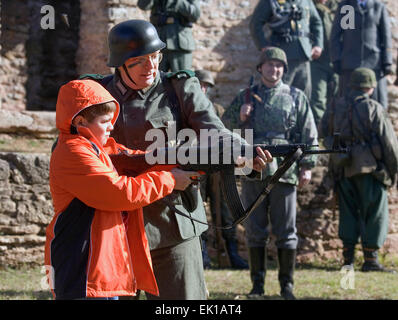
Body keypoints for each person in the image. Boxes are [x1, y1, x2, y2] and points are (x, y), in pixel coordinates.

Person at [81, 20, 272, 300]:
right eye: (139, 61)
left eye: (155, 57)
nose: (151, 66)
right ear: (120, 63)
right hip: (114, 226)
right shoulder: (95, 94)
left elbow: (214, 132)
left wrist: (244, 153)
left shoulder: (178, 88)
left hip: (173, 223)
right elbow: (73, 149)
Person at [44, 79, 196, 299]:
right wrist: (170, 180)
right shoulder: (73, 152)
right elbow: (120, 193)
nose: (111, 126)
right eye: (105, 121)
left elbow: (144, 161)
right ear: (80, 122)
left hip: (98, 264)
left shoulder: (98, 149)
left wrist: (198, 159)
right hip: (81, 263)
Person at [222, 47, 318, 300]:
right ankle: (257, 286)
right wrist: (239, 118)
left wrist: (307, 166)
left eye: (278, 65)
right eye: (269, 65)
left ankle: (287, 286)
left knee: (286, 230)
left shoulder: (296, 97)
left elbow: (309, 134)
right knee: (255, 229)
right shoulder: (245, 97)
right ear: (260, 68)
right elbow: (222, 129)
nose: (273, 69)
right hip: (252, 168)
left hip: (285, 171)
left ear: (284, 70)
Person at [320, 68, 398, 272]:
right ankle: (371, 260)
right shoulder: (374, 107)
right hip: (369, 169)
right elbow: (389, 144)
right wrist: (392, 171)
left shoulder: (335, 106)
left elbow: (323, 133)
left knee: (348, 212)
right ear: (371, 87)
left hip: (342, 168)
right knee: (374, 213)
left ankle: (348, 259)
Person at [195, 69, 249, 270]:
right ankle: (201, 255)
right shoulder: (184, 108)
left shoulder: (216, 109)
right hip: (196, 167)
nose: (202, 89)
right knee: (196, 210)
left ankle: (231, 252)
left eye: (205, 86)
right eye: (199, 84)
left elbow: (226, 135)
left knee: (226, 210)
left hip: (217, 169)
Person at [249, 0, 324, 99]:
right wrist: (263, 45)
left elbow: (316, 22)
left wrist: (318, 45)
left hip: (303, 54)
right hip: (281, 57)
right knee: (279, 95)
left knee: (303, 95)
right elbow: (255, 23)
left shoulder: (305, 1)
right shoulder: (271, 2)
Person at [330, 0, 393, 109]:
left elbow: (386, 36)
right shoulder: (347, 7)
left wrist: (387, 61)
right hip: (350, 65)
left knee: (378, 105)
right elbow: (336, 36)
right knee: (347, 105)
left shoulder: (378, 7)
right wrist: (336, 59)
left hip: (374, 65)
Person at [137, 0, 200, 72]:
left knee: (182, 78)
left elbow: (196, 15)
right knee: (156, 78)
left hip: (180, 44)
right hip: (159, 44)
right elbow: (143, 5)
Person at [310, 0, 339, 126]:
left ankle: (336, 132)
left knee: (338, 97)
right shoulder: (307, 5)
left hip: (338, 60)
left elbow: (350, 30)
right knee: (318, 97)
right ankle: (319, 132)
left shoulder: (342, 6)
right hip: (317, 60)